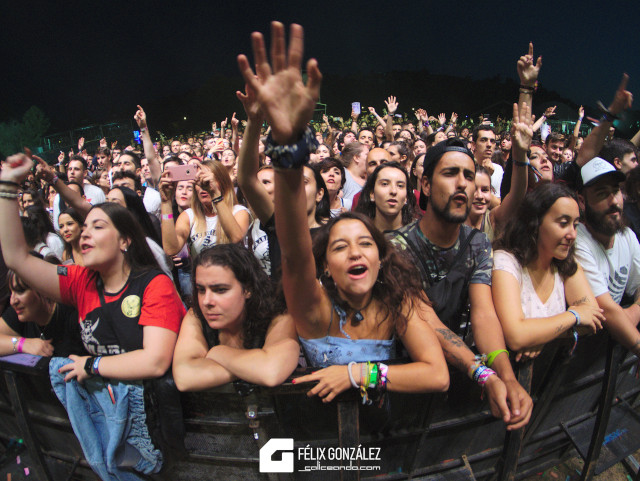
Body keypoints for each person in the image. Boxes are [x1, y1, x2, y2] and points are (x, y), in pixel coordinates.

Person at [237, 22, 449, 404]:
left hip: (387, 446)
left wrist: (357, 373)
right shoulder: (314, 310)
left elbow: (437, 375)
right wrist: (287, 149)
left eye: (365, 243)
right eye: (339, 247)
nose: (354, 252)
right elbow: (295, 253)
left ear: (382, 258)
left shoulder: (397, 303)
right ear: (325, 267)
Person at [0, 153, 185, 478]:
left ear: (125, 240)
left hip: (158, 425)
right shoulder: (81, 281)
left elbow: (155, 361)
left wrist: (92, 365)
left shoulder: (153, 285)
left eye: (97, 227)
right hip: (111, 416)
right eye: (84, 227)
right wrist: (7, 186)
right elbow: (16, 257)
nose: (84, 234)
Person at [492, 184, 604, 361]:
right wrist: (573, 315)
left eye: (575, 225)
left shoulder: (565, 263)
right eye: (563, 223)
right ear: (535, 223)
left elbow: (593, 317)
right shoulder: (505, 261)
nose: (572, 234)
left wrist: (541, 334)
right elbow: (516, 336)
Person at [172, 244, 299, 391]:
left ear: (248, 289)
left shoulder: (278, 314)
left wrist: (217, 352)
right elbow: (185, 377)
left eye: (220, 290)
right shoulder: (196, 316)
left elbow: (271, 372)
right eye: (201, 290)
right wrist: (252, 368)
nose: (207, 301)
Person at [575, 157, 640, 356]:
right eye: (602, 194)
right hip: (579, 360)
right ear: (582, 201)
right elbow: (605, 311)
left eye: (616, 191)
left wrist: (628, 314)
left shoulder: (626, 235)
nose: (614, 201)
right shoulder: (576, 240)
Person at [0, 253, 86, 357]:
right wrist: (22, 343)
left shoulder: (73, 316)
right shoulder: (19, 312)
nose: (13, 301)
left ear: (42, 287)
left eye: (20, 291)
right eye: (11, 292)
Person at [160, 160, 251, 258]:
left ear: (223, 183)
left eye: (207, 180)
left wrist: (215, 195)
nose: (203, 186)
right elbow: (170, 249)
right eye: (199, 180)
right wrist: (166, 202)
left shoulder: (238, 211)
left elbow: (236, 238)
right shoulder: (189, 215)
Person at [355, 162, 416, 233]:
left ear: (406, 197)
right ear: (372, 194)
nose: (393, 191)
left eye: (400, 186)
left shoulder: (418, 234)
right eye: (385, 184)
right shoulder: (358, 232)